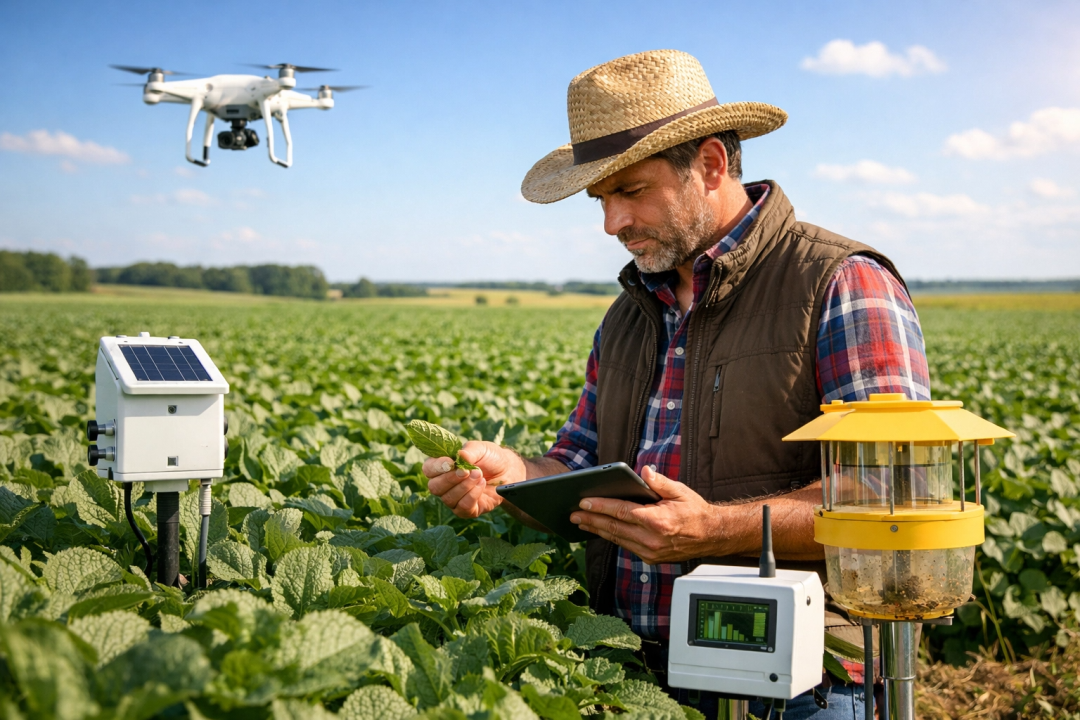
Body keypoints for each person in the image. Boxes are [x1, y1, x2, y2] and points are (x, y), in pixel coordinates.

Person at [423, 49, 929, 719]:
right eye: (601, 199)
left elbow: (892, 500)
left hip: (801, 682)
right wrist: (509, 475)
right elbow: (577, 461)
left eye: (631, 190)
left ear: (713, 164)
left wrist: (716, 530)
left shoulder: (840, 283)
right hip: (633, 671)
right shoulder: (630, 315)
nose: (612, 223)